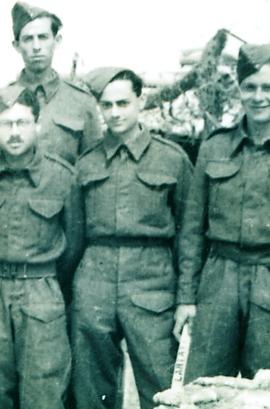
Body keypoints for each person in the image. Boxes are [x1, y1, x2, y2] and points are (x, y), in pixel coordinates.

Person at [71, 67, 193, 409]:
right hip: (95, 279)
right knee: (92, 389)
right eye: (107, 105)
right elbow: (75, 235)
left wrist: (185, 298)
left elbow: (189, 233)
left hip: (152, 282)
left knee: (161, 386)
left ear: (140, 101)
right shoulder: (86, 164)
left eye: (123, 102)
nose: (115, 112)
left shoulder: (172, 159)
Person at [173, 43, 270, 384]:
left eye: (267, 87)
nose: (259, 97)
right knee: (204, 386)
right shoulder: (215, 146)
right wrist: (186, 297)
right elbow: (192, 229)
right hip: (219, 280)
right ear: (239, 90)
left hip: (268, 277)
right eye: (250, 87)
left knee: (265, 388)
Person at [0, 86, 83, 409]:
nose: (15, 132)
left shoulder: (60, 176)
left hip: (41, 291)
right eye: (6, 124)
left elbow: (74, 244)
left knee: (43, 393)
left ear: (37, 125)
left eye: (22, 123)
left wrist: (44, 278)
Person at [8, 1, 101, 165]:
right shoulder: (3, 101)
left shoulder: (82, 102)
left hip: (65, 190)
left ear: (57, 41)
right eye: (28, 39)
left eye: (43, 37)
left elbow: (94, 167)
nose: (36, 47)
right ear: (16, 46)